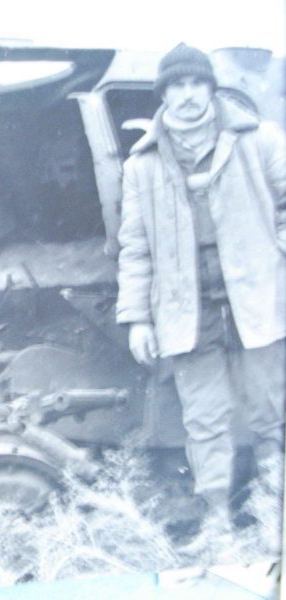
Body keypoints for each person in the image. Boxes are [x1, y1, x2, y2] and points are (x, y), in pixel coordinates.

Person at [115, 43, 286, 540]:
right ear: (163, 94)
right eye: (177, 86)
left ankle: (274, 513)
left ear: (211, 88)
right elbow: (135, 248)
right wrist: (138, 319)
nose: (188, 95)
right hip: (186, 310)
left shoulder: (259, 140)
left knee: (270, 412)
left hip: (257, 300)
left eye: (196, 84)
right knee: (205, 420)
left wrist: (275, 255)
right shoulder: (142, 165)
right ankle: (218, 522)